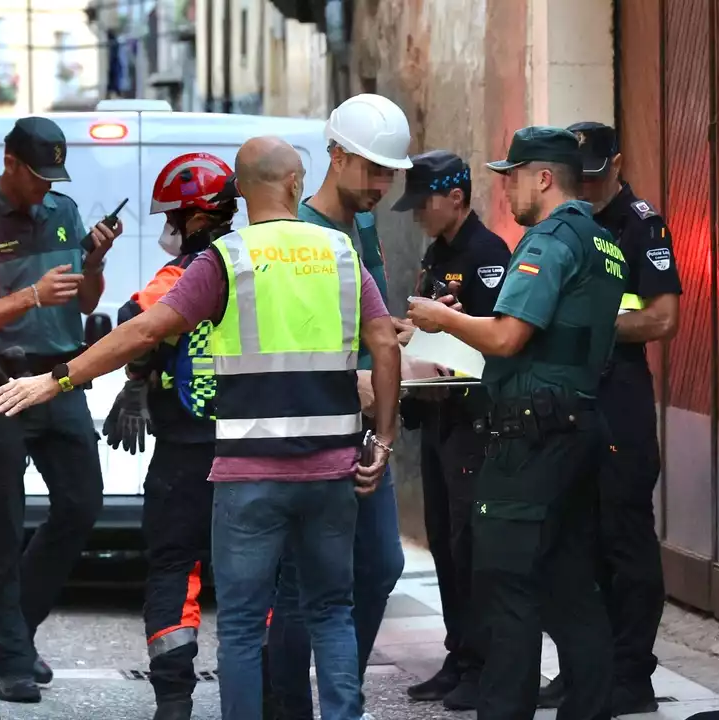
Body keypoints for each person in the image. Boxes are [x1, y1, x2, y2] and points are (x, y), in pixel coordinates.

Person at [0, 135, 403, 720]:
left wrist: (55, 380)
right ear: (293, 185)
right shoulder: (338, 251)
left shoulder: (228, 261)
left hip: (248, 473)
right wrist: (382, 440)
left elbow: (141, 331)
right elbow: (384, 343)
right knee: (330, 612)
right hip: (330, 471)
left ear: (242, 190)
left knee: (236, 623)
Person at [405, 126, 625, 720]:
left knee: (505, 584)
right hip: (577, 427)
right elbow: (550, 341)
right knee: (572, 583)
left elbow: (507, 337)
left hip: (531, 439)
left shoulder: (548, 240)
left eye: (514, 175)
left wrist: (441, 321)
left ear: (545, 177)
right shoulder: (601, 241)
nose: (504, 189)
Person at [0, 115, 123, 702]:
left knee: (81, 503)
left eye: (54, 176)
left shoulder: (63, 212)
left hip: (59, 377)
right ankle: (14, 657)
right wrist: (28, 296)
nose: (47, 185)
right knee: (2, 519)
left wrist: (94, 260)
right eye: (37, 175)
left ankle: (12, 622)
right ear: (10, 164)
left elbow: (88, 298)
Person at [267, 92, 411, 720]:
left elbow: (367, 321)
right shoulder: (301, 234)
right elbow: (292, 336)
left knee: (380, 565)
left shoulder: (366, 226)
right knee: (305, 583)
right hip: (313, 427)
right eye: (372, 170)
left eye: (389, 172)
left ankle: (338, 695)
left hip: (361, 429)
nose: (381, 184)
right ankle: (290, 706)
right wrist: (352, 374)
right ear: (334, 156)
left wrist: (399, 343)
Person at [534, 121, 682, 715]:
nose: (586, 188)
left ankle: (630, 675)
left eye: (595, 177)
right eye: (579, 179)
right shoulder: (567, 226)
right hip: (572, 400)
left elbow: (662, 319)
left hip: (618, 400)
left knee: (624, 542)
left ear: (616, 165)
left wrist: (584, 324)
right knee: (574, 542)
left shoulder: (639, 224)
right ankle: (583, 669)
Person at [110, 152, 239, 720]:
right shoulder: (254, 264)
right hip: (252, 451)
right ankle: (257, 691)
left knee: (173, 569)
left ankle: (173, 702)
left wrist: (134, 378)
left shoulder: (181, 275)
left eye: (172, 217)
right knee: (253, 572)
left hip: (184, 455)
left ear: (194, 217)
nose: (166, 228)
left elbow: (131, 320)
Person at [391, 149, 511, 710]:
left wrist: (446, 326)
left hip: (473, 422)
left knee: (470, 545)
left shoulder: (488, 254)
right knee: (441, 540)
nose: (417, 214)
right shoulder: (436, 253)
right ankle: (459, 652)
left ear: (456, 198)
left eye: (424, 203)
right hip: (439, 418)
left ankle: (484, 664)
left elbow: (496, 338)